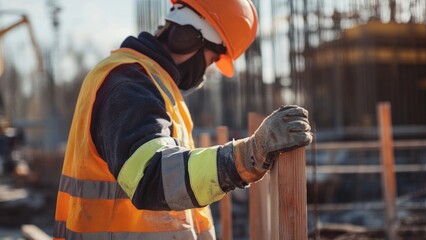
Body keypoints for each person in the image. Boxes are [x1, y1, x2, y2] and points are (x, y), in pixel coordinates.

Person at [53, 0, 312, 239]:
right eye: (209, 61)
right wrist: (247, 155)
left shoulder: (155, 87)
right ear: (187, 38)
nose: (204, 74)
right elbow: (152, 177)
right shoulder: (128, 84)